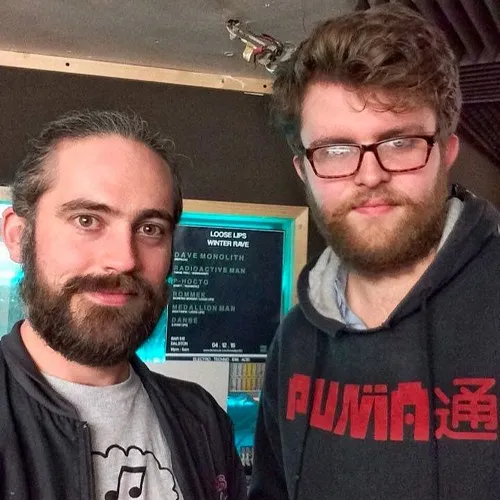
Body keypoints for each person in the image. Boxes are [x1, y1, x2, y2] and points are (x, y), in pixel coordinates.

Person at [249, 4, 500, 500]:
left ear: (447, 151)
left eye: (400, 142)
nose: (369, 175)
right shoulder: (294, 342)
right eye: (335, 150)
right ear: (305, 171)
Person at [0, 110, 246, 500]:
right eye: (87, 220)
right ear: (18, 236)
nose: (124, 259)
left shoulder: (201, 420)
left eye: (150, 229)